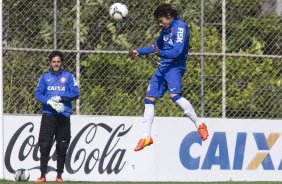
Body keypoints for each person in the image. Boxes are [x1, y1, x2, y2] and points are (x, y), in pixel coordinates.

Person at [128, 4, 208, 152]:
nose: (159, 24)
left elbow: (177, 51)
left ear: (169, 16)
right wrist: (138, 51)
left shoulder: (180, 27)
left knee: (175, 96)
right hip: (163, 66)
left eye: (160, 20)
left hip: (175, 67)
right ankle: (146, 137)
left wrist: (161, 53)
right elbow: (155, 47)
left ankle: (199, 124)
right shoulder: (165, 29)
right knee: (149, 98)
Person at [35, 51, 80, 182]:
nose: (56, 64)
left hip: (63, 115)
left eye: (58, 62)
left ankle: (59, 176)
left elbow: (76, 93)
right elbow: (38, 94)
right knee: (44, 145)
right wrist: (48, 101)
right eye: (54, 62)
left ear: (62, 63)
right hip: (48, 115)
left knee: (62, 146)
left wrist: (61, 98)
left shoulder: (69, 76)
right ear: (50, 63)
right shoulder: (44, 77)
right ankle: (42, 176)